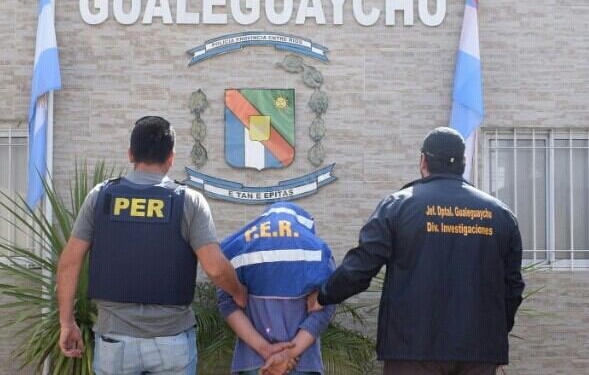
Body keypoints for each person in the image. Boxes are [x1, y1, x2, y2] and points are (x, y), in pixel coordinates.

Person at [308, 127, 525, 375]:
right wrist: (492, 332)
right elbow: (513, 288)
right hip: (478, 351)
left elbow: (361, 266)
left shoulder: (398, 206)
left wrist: (324, 295)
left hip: (412, 350)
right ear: (463, 163)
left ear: (423, 161)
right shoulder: (501, 215)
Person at [56, 115, 247, 375]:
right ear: (171, 157)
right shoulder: (189, 201)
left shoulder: (100, 197)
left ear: (130, 154)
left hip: (115, 341)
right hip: (173, 341)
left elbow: (69, 263)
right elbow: (214, 268)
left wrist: (67, 323)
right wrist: (237, 291)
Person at [217, 202, 336, 375]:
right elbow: (326, 307)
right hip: (303, 364)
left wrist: (264, 349)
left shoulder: (241, 248)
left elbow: (226, 302)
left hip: (253, 362)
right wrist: (290, 353)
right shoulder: (318, 251)